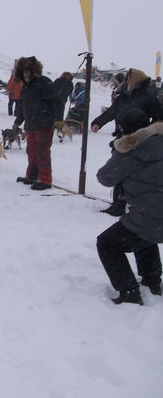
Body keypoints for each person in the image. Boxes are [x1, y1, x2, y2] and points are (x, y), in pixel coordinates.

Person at [96, 108, 163, 305]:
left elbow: (105, 178)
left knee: (107, 243)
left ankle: (129, 291)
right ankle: (152, 281)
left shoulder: (131, 150)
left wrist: (118, 150)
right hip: (155, 216)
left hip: (151, 215)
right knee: (142, 234)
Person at [91, 68, 163, 216]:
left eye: (128, 78)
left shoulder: (149, 95)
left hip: (140, 141)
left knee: (134, 172)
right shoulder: (124, 95)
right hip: (122, 137)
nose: (125, 81)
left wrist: (150, 133)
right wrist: (98, 122)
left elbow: (158, 118)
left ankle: (130, 203)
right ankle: (119, 202)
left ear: (135, 79)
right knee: (119, 169)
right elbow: (112, 111)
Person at [13, 56, 62, 191]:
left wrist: (58, 119)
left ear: (35, 70)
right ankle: (32, 176)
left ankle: (45, 180)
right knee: (31, 151)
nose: (26, 73)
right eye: (23, 71)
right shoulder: (26, 87)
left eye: (28, 70)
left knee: (42, 152)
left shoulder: (45, 83)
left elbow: (57, 101)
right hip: (31, 125)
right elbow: (23, 107)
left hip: (44, 124)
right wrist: (18, 122)